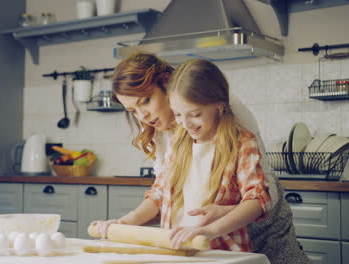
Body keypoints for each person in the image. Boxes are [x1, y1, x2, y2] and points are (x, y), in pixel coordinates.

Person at [91, 53, 310, 263]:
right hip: (197, 242)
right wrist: (123, 223)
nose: (143, 117)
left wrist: (225, 214)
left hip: (260, 230)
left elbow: (261, 195)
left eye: (146, 101)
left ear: (166, 84)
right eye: (133, 111)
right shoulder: (173, 136)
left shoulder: (235, 128)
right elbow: (162, 194)